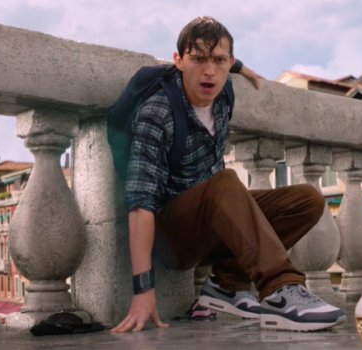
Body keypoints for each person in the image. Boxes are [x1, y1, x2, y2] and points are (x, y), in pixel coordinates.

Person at [111, 16, 345, 333]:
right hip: (172, 236)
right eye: (198, 60)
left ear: (229, 62)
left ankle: (227, 286)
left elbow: (221, 64)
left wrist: (242, 68)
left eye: (220, 61)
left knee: (307, 200)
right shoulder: (159, 112)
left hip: (215, 223)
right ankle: (279, 291)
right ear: (179, 61)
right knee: (224, 182)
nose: (209, 71)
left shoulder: (223, 94)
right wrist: (142, 291)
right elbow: (140, 205)